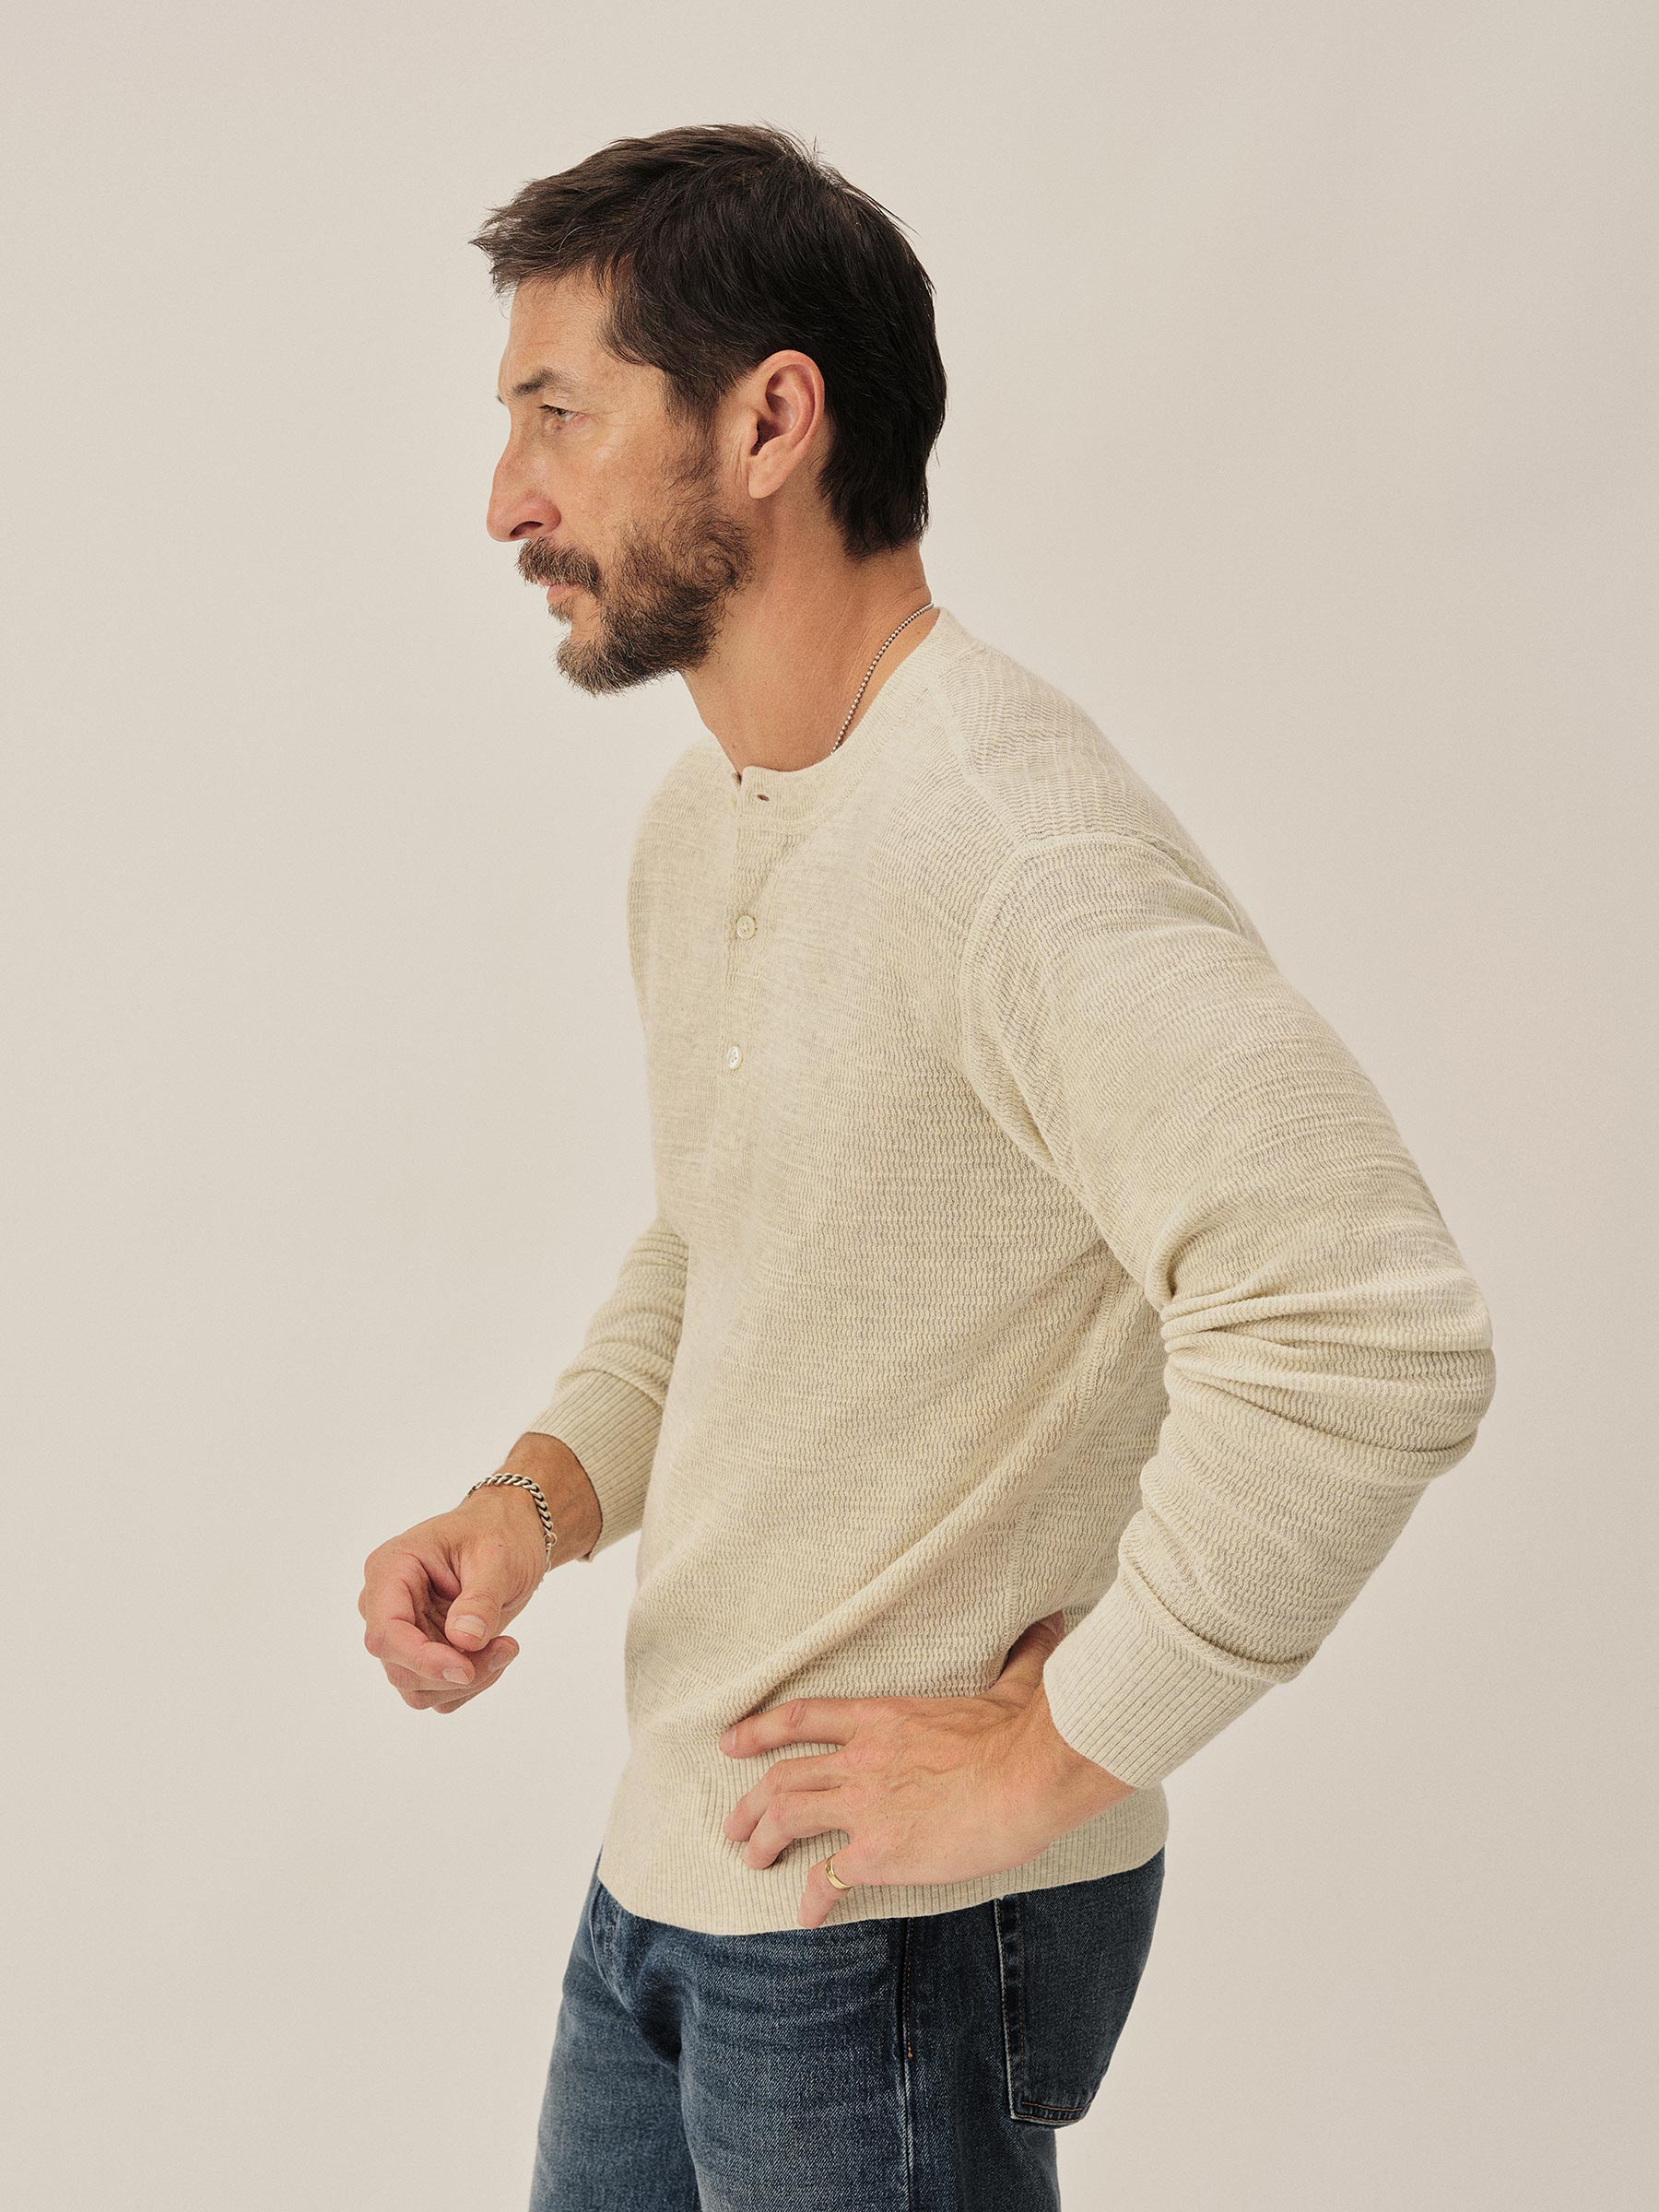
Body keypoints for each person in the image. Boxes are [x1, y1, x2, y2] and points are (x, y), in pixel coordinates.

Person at [357, 124, 1498, 2212]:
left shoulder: (1009, 845)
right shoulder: (711, 822)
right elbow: (728, 1238)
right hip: (678, 1871)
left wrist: (1069, 1747)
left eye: (558, 415)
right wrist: (538, 1498)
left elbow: (1367, 1322)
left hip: (886, 1936)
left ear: (770, 419)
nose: (508, 499)